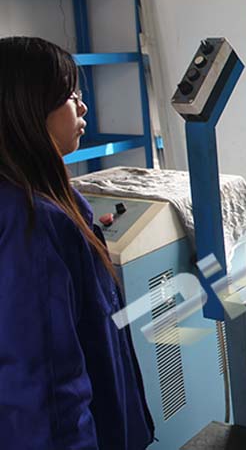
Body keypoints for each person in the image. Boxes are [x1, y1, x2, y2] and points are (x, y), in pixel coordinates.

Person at [0, 37, 154, 449]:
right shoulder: (33, 222)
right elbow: (47, 386)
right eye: (70, 96)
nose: (82, 107)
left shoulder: (42, 200)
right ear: (29, 108)